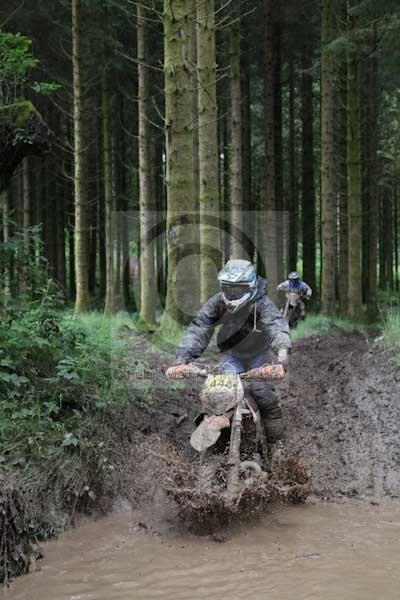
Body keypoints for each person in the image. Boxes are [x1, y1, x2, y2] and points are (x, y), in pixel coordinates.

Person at [166, 259, 291, 445]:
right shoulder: (218, 303)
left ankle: (277, 446)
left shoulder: (261, 304)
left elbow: (276, 326)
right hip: (231, 354)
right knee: (221, 392)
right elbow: (199, 328)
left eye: (238, 289)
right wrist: (181, 359)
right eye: (228, 288)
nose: (232, 293)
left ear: (249, 287)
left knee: (263, 392)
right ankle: (217, 444)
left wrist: (282, 357)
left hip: (259, 354)